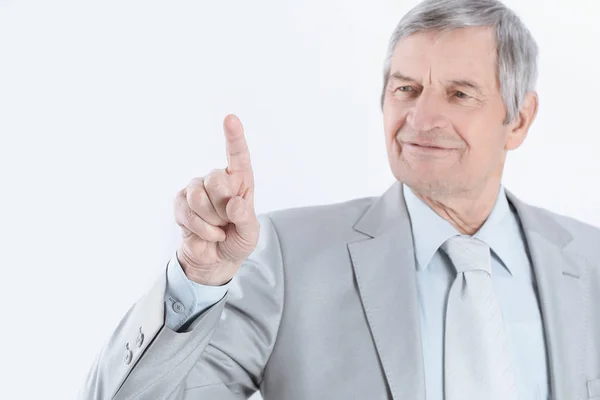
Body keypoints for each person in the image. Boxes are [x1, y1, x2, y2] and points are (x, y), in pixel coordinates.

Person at [79, 0, 600, 399]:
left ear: (521, 119)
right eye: (406, 89)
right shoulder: (288, 258)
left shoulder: (589, 264)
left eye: (459, 94)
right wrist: (195, 280)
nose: (421, 119)